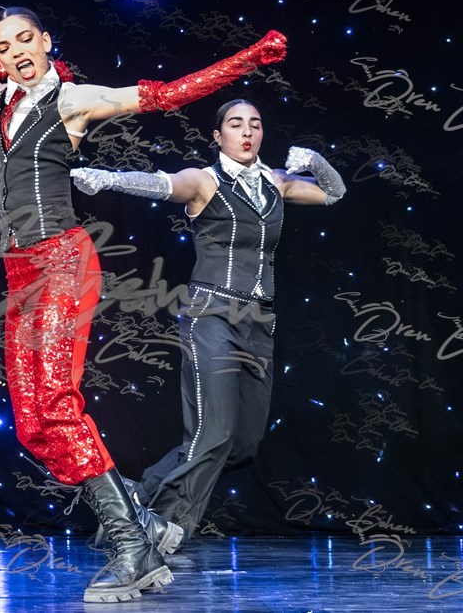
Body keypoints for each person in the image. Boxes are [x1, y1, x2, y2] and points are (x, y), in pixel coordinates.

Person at [0, 6, 287, 603]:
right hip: (19, 269)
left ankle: (132, 546)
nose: (16, 53)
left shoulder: (74, 101)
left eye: (26, 39)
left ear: (48, 40)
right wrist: (11, 67)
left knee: (57, 405)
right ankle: (139, 518)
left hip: (61, 260)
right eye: (3, 47)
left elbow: (168, 94)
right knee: (33, 425)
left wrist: (248, 59)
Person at [71, 98, 346, 544]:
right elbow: (163, 184)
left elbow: (333, 193)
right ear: (218, 137)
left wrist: (315, 160)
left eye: (255, 124)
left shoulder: (276, 182)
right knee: (212, 434)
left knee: (241, 445)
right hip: (212, 313)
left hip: (259, 320)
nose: (247, 132)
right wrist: (109, 179)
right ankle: (163, 528)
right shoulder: (205, 181)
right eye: (236, 124)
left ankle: (137, 494)